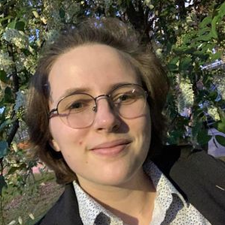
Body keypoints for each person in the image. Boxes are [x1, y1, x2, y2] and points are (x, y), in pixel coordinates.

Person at [26, 18, 225, 225]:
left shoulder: (213, 176)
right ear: (50, 136)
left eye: (125, 97)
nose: (107, 119)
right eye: (76, 105)